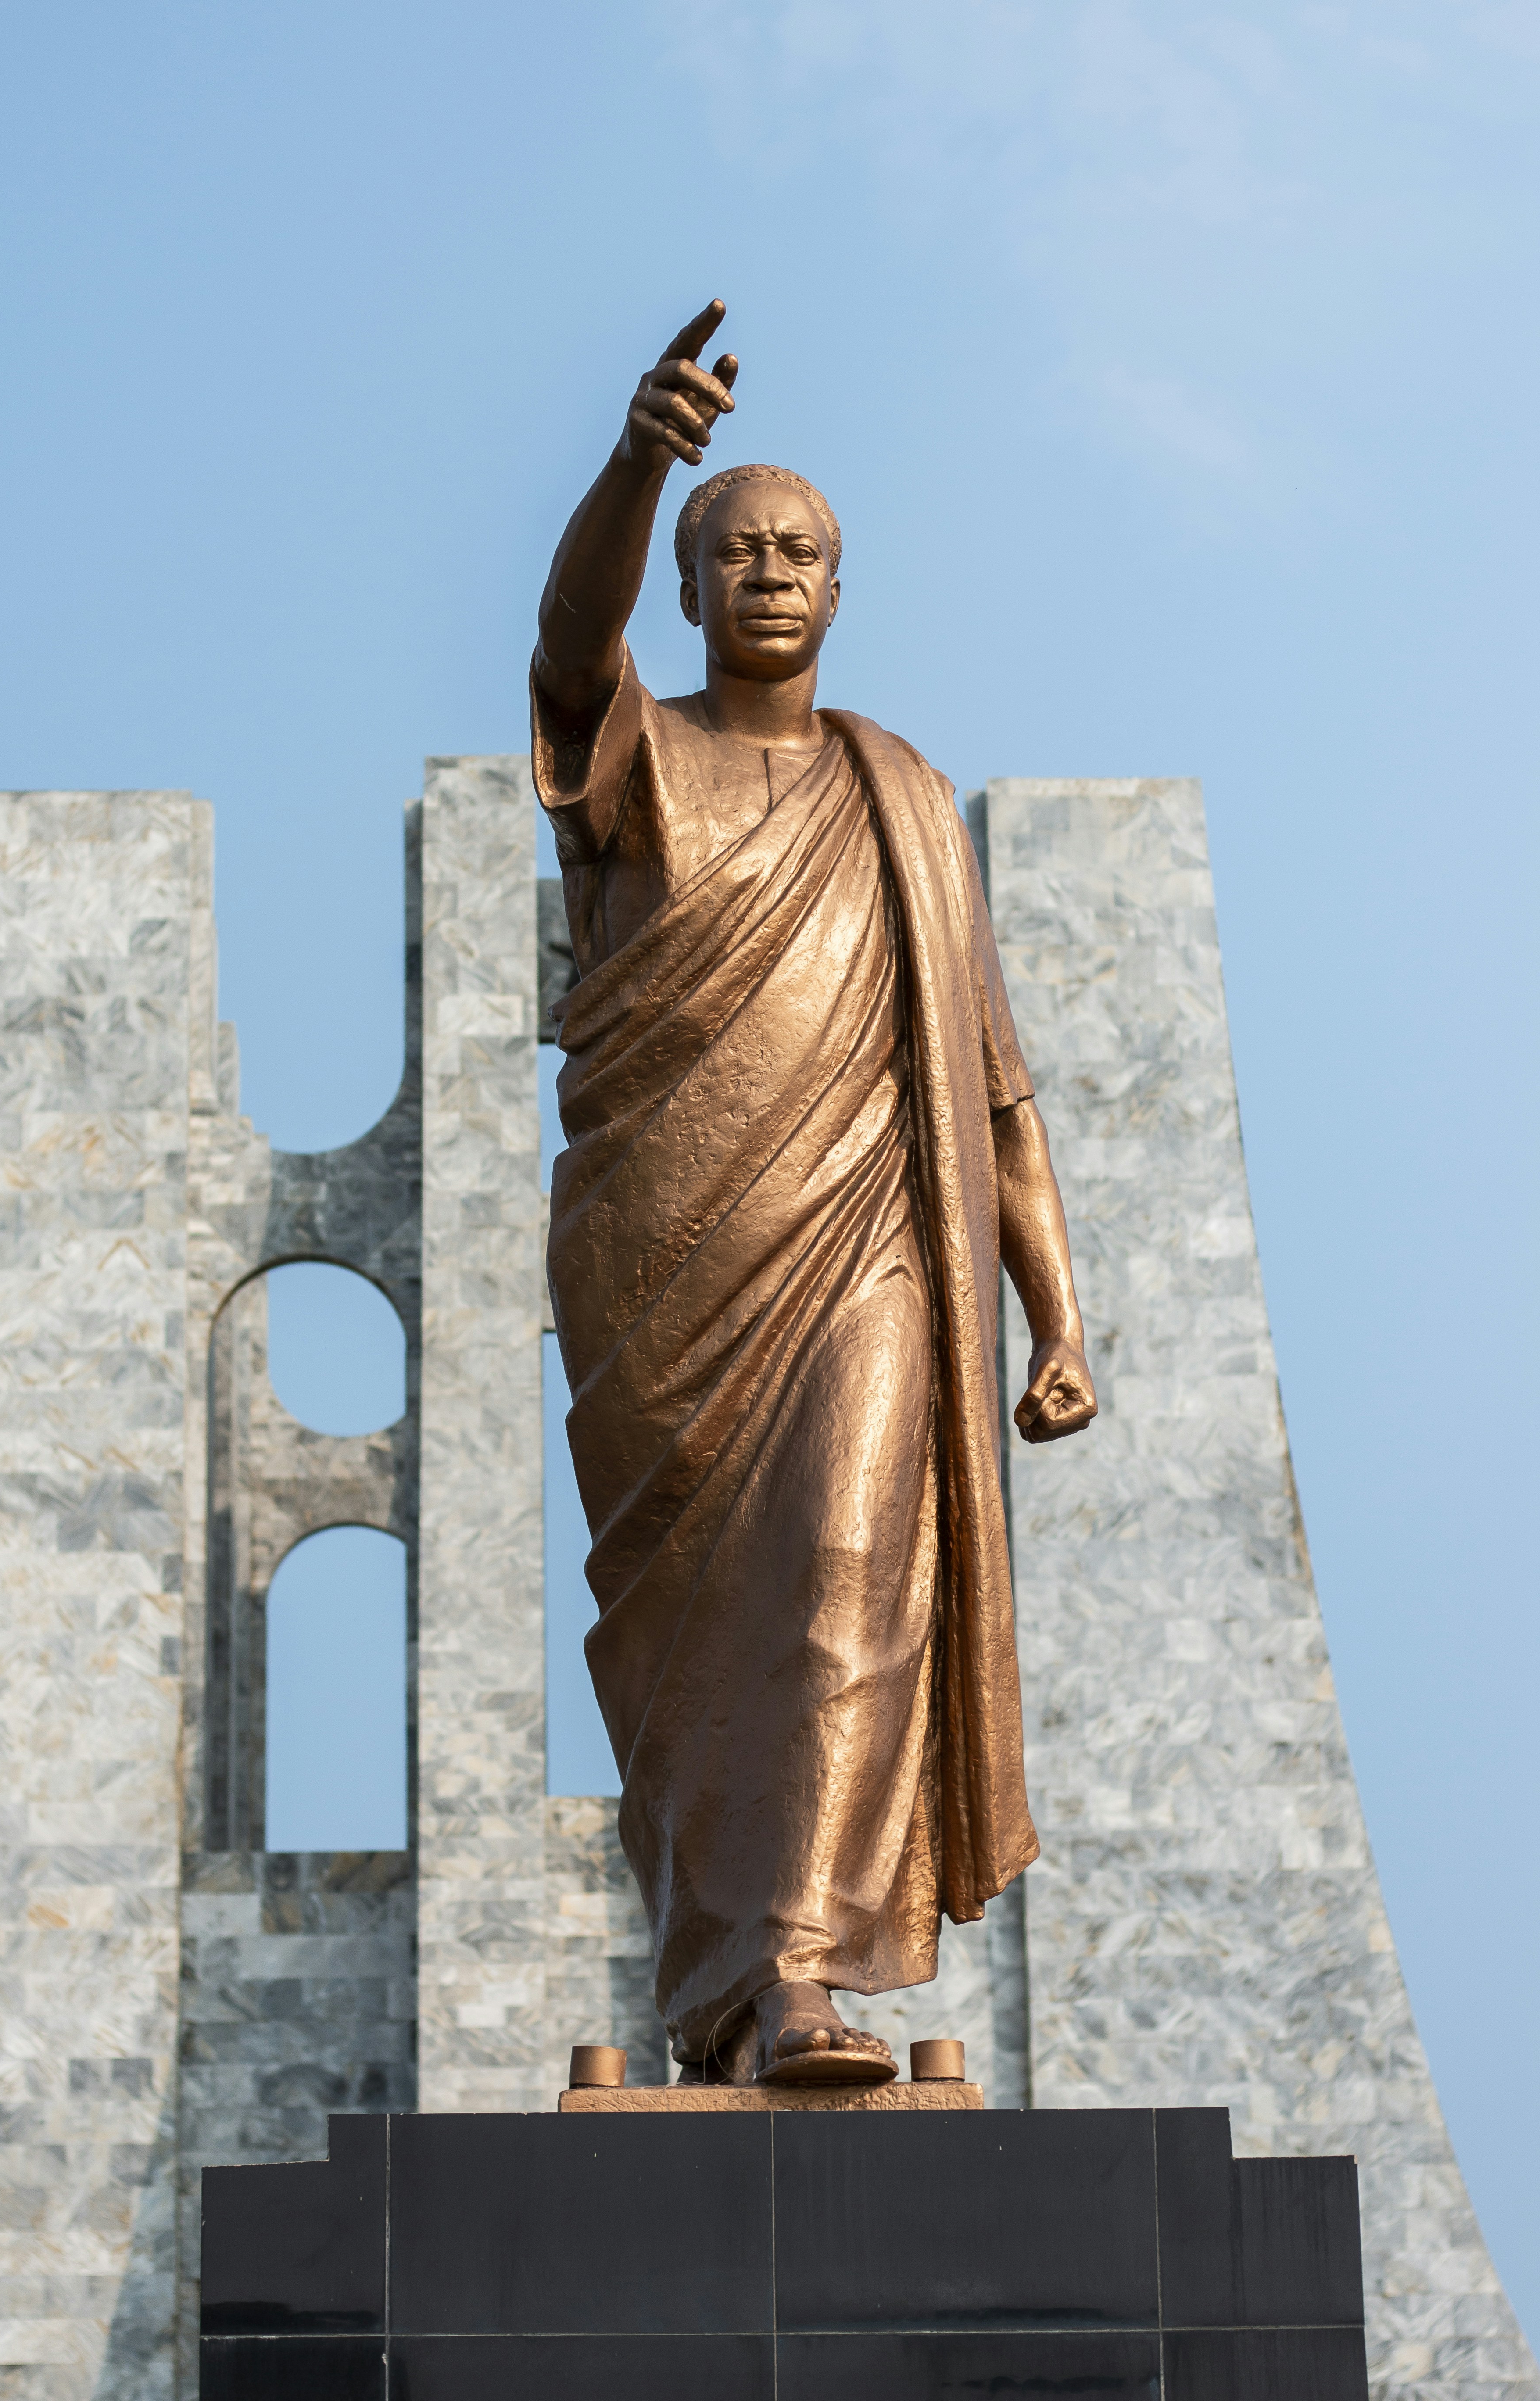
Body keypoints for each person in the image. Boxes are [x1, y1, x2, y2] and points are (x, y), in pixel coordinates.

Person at [534, 300, 1097, 2086]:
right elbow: (566, 648)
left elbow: (995, 1096)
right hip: (664, 1270)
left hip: (866, 1249)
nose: (770, 574)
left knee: (853, 1570)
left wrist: (1059, 1319)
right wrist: (641, 459)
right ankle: (717, 1986)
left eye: (801, 554)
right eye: (738, 552)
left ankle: (803, 1972)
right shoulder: (638, 765)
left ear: (841, 592)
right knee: (702, 1642)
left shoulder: (903, 798)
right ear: (690, 586)